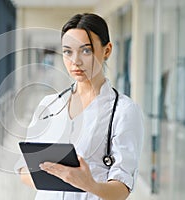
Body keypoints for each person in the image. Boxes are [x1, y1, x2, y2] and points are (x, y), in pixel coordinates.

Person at [15, 13, 144, 200]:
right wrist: (53, 174)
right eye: (68, 51)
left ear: (107, 50)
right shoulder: (48, 105)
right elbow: (23, 168)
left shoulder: (124, 111)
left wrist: (89, 185)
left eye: (86, 51)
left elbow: (122, 188)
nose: (75, 61)